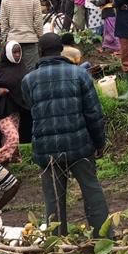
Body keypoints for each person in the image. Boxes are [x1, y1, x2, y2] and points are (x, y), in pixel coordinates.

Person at [23, 33, 109, 237]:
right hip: (79, 146)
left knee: (53, 198)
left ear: (39, 52)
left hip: (47, 151)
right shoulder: (79, 74)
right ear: (61, 50)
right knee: (91, 190)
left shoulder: (28, 80)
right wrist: (99, 143)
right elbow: (93, 113)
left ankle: (57, 244)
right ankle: (104, 238)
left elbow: (31, 110)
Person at [0, 0, 44, 71]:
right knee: (31, 70)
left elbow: (4, 22)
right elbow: (38, 21)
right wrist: (40, 36)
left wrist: (4, 40)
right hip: (30, 40)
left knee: (14, 70)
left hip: (12, 40)